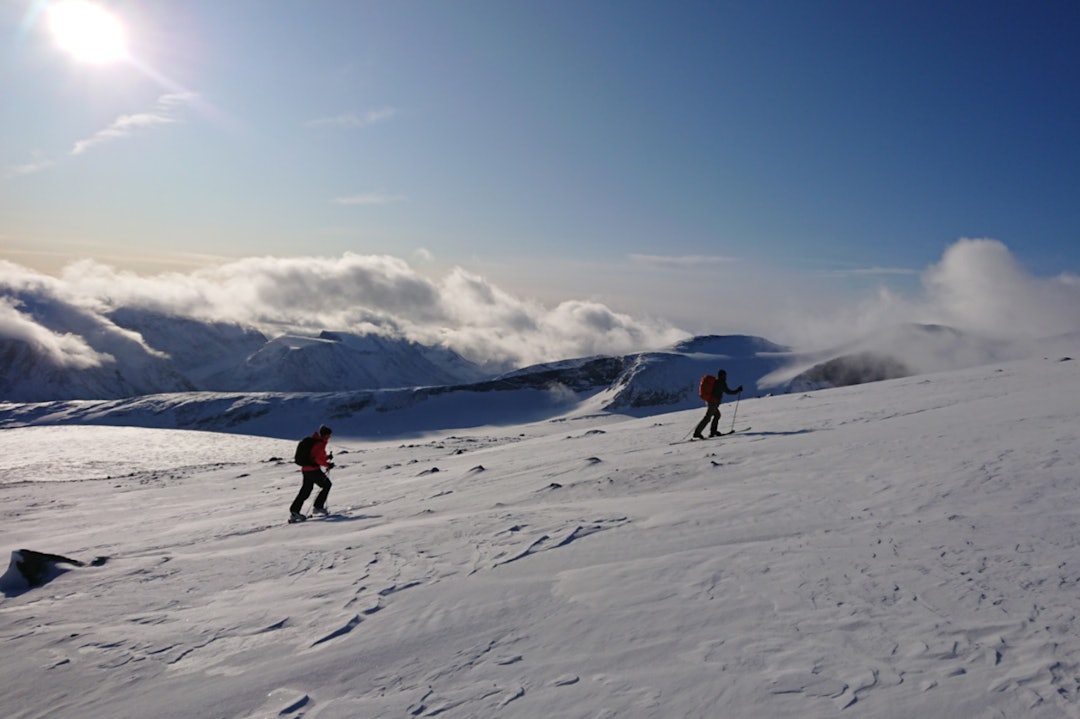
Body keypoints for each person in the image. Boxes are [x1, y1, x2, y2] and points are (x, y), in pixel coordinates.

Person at [289, 425, 335, 522]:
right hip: (313, 470)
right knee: (327, 485)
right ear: (325, 435)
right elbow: (317, 459)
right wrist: (327, 464)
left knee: (305, 491)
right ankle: (318, 507)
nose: (330, 437)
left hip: (306, 470)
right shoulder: (319, 443)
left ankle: (294, 511)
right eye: (329, 435)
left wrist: (326, 458)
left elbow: (314, 456)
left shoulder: (315, 441)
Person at [693, 369, 743, 439]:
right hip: (713, 403)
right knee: (708, 417)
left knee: (717, 415)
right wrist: (737, 390)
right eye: (725, 375)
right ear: (722, 376)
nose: (726, 377)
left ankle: (713, 431)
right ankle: (697, 433)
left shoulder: (716, 381)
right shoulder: (721, 383)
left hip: (711, 401)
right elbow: (728, 392)